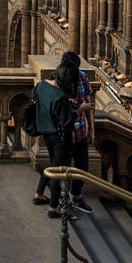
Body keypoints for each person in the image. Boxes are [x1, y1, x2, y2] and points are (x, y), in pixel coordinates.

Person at [56, 51, 94, 215]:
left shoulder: (82, 77)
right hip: (64, 133)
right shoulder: (59, 79)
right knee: (62, 168)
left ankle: (76, 196)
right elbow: (62, 111)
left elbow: (89, 103)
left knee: (82, 166)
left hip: (80, 132)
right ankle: (62, 202)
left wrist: (92, 129)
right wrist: (80, 109)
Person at [31, 61, 71, 219]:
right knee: (56, 170)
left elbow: (36, 99)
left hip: (45, 132)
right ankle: (53, 208)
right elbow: (66, 121)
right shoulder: (61, 96)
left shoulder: (41, 85)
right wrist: (79, 110)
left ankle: (39, 194)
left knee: (52, 164)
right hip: (59, 137)